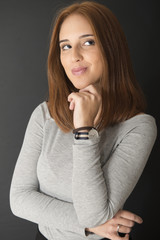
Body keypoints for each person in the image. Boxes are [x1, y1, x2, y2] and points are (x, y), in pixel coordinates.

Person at [9, 1, 157, 240]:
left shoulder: (138, 127)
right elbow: (19, 199)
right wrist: (92, 227)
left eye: (88, 42)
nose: (74, 56)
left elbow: (94, 212)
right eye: (65, 47)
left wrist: (84, 130)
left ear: (111, 48)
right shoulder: (45, 115)